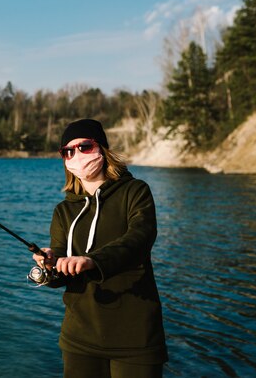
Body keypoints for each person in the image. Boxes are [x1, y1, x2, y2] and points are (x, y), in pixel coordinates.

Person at [32, 118, 168, 378]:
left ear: (102, 149)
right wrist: (49, 264)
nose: (76, 155)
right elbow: (59, 275)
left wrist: (92, 261)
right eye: (68, 151)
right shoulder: (63, 211)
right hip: (79, 339)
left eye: (84, 146)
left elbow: (139, 239)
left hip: (135, 338)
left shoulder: (135, 191)